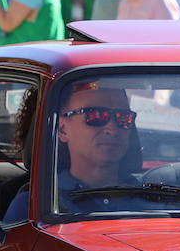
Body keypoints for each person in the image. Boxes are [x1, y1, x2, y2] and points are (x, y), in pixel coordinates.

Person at [57, 81, 143, 211]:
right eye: (95, 115)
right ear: (63, 129)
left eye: (123, 118)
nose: (112, 129)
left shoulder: (153, 200)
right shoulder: (36, 205)